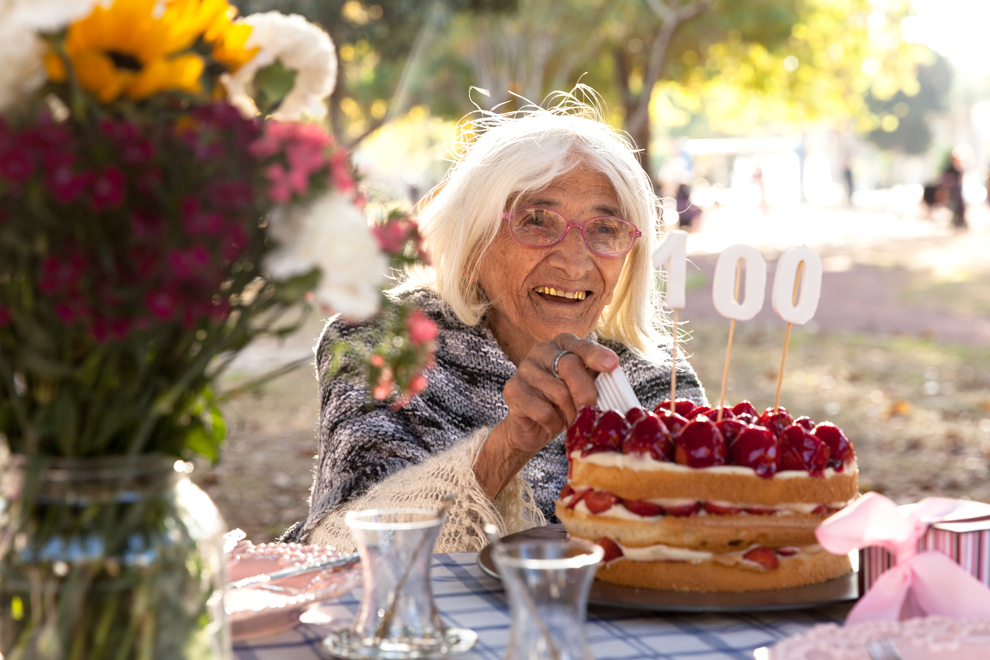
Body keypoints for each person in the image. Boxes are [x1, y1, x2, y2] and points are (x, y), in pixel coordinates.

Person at [284, 93, 707, 552]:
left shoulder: (654, 379)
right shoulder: (382, 342)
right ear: (473, 243)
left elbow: (699, 539)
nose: (574, 263)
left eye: (605, 229)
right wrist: (505, 448)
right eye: (537, 220)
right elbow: (345, 542)